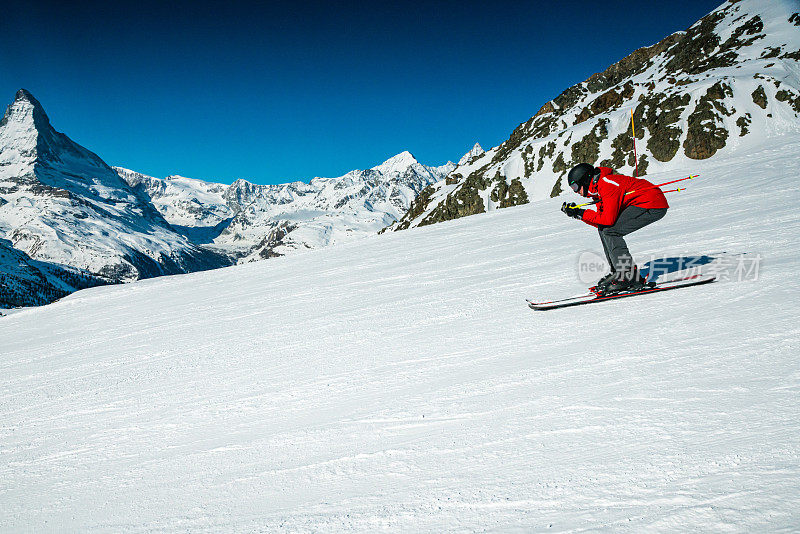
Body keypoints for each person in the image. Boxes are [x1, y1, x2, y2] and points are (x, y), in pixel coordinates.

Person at [561, 163, 669, 293]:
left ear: (585, 180)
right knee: (604, 229)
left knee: (610, 231)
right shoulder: (597, 190)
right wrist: (578, 214)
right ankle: (619, 272)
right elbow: (602, 221)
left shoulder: (606, 184)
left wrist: (581, 213)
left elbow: (608, 220)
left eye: (576, 186)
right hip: (644, 203)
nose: (576, 191)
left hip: (652, 204)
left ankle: (628, 275)